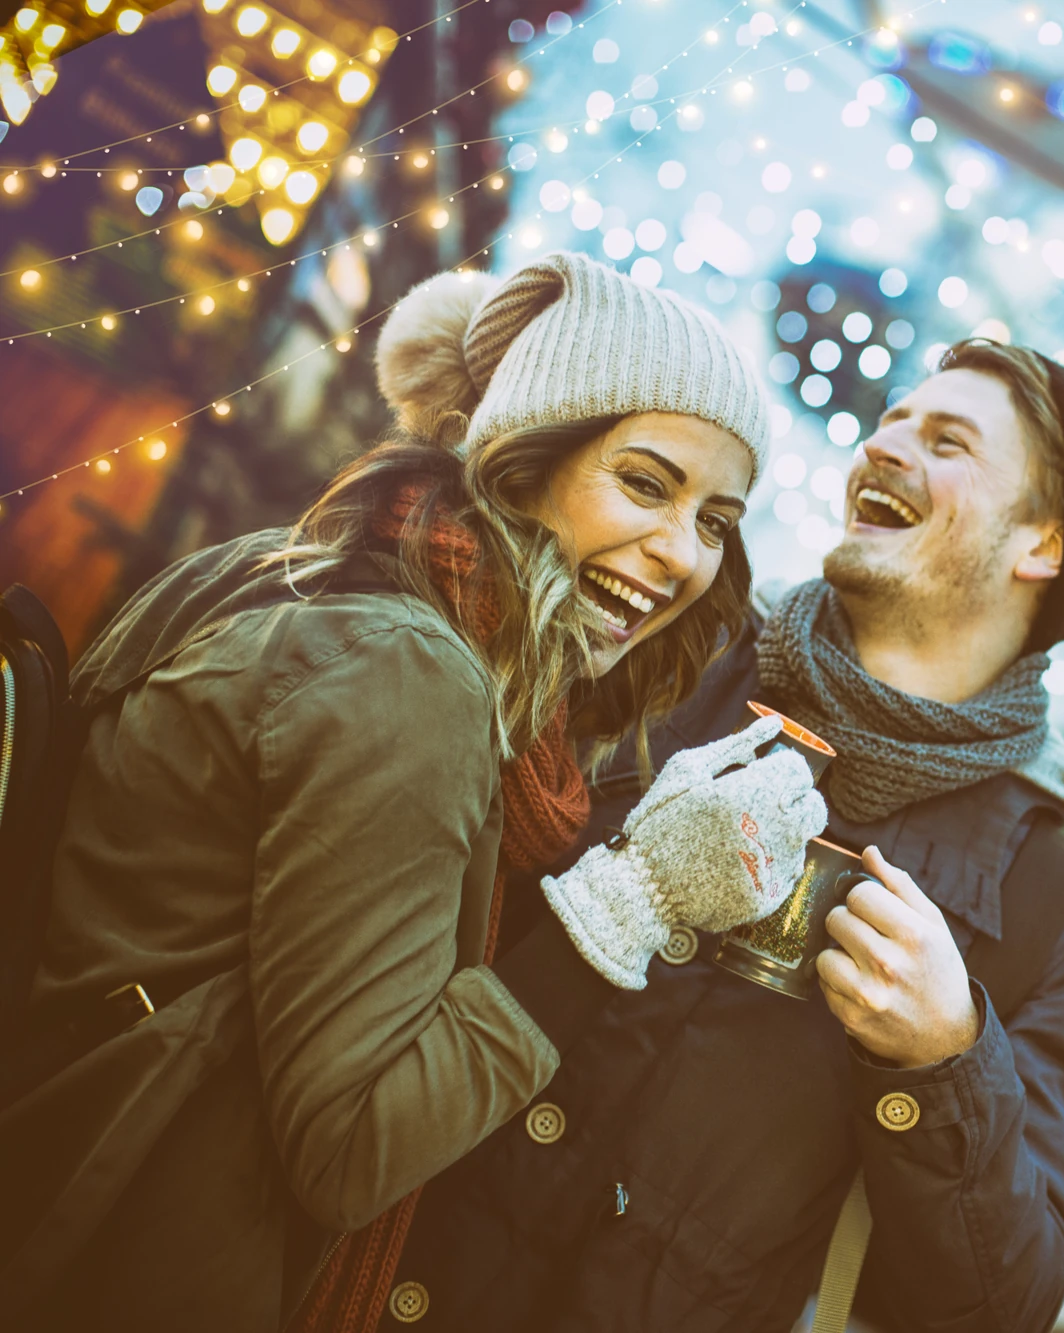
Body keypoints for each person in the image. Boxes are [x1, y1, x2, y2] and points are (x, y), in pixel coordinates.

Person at [0, 253, 827, 1332]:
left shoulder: (294, 565)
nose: (679, 554)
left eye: (716, 520)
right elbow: (351, 1148)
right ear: (519, 460)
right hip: (119, 1256)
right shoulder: (411, 675)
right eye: (643, 481)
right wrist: (636, 898)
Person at [385, 337, 1064, 1331]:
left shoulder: (1057, 914)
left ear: (1040, 544)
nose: (883, 448)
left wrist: (943, 1061)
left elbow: (994, 1307)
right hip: (357, 1274)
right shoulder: (656, 658)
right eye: (889, 422)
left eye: (946, 441)